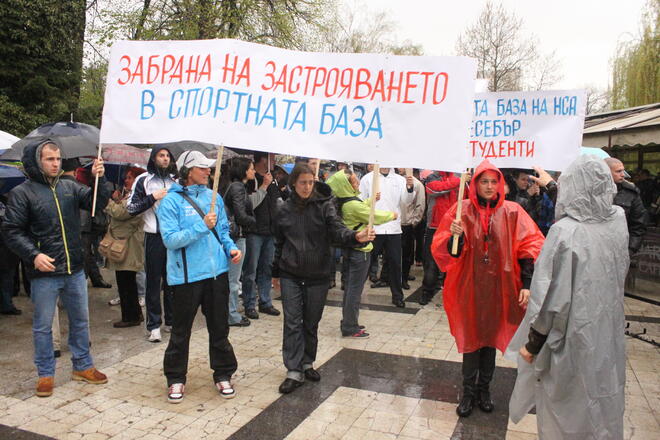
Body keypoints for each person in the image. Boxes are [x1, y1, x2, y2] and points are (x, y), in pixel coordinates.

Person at [506, 155, 629, 440]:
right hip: (606, 331)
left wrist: (534, 342)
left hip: (573, 336)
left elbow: (552, 298)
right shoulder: (618, 220)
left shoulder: (565, 232)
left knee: (567, 411)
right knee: (602, 400)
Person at [431, 159, 544, 418]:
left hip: (499, 289)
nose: (490, 186)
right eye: (484, 181)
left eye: (494, 181)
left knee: (490, 341)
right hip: (468, 288)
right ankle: (468, 392)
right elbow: (448, 255)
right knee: (471, 340)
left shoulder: (513, 211)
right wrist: (454, 235)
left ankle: (484, 390)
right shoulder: (461, 211)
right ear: (475, 184)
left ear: (501, 184)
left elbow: (529, 247)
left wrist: (527, 283)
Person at [2, 139, 110, 397]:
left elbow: (97, 203)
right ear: (36, 161)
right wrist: (34, 255)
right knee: (42, 326)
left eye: (58, 158)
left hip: (74, 268)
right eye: (50, 159)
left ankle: (82, 366)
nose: (55, 163)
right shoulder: (22, 193)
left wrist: (99, 180)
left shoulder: (70, 187)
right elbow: (11, 230)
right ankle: (45, 374)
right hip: (45, 272)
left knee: (81, 321)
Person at [273, 164, 375, 393]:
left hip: (318, 274)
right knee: (292, 322)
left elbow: (337, 230)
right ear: (293, 184)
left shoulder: (325, 205)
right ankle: (293, 369)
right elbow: (278, 243)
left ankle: (307, 362)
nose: (307, 187)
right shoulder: (283, 209)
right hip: (291, 273)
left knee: (311, 321)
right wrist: (275, 273)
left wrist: (355, 236)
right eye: (302, 182)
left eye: (310, 182)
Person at [157, 150, 241, 403]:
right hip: (185, 279)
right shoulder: (170, 202)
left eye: (208, 167)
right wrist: (201, 226)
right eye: (202, 168)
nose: (208, 171)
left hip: (217, 275)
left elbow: (223, 231)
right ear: (187, 171)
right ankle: (175, 378)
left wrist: (230, 248)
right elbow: (170, 240)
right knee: (181, 332)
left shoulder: (213, 197)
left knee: (219, 328)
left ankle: (223, 373)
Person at [326, 168, 396, 338]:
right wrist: (391, 215)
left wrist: (371, 199)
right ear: (345, 185)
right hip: (360, 252)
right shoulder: (352, 204)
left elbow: (359, 207)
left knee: (351, 288)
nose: (357, 182)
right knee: (354, 291)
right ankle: (350, 326)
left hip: (351, 250)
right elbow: (372, 215)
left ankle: (348, 321)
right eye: (354, 181)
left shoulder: (344, 201)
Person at [128, 147, 177, 342]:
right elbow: (131, 208)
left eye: (167, 156)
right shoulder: (144, 180)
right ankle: (154, 325)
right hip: (154, 237)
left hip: (174, 237)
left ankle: (171, 321)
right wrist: (152, 198)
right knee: (153, 282)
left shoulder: (177, 181)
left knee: (172, 280)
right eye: (161, 156)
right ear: (153, 158)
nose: (165, 159)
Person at [359, 167, 414, 307]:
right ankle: (356, 293)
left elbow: (407, 200)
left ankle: (397, 296)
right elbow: (360, 201)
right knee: (367, 262)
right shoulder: (368, 178)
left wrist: (409, 187)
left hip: (393, 228)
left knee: (395, 264)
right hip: (374, 228)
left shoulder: (399, 179)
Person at [241, 152, 281, 319]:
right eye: (271, 157)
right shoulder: (251, 180)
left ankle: (265, 301)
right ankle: (249, 303)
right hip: (254, 231)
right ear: (262, 159)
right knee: (251, 270)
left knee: (266, 268)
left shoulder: (272, 179)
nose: (274, 160)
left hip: (270, 231)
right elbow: (249, 204)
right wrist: (263, 185)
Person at [106, 168, 145, 328]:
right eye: (126, 177)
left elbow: (122, 213)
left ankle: (130, 317)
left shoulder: (137, 197)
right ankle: (135, 314)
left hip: (129, 243)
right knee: (125, 280)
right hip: (125, 241)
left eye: (130, 178)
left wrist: (109, 202)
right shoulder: (130, 195)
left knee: (126, 281)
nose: (126, 180)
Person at [223, 157, 258, 327]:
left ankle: (231, 312)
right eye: (251, 168)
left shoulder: (238, 187)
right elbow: (240, 215)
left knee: (233, 278)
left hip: (237, 236)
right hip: (236, 237)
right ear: (244, 170)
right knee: (233, 279)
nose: (253, 171)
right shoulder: (237, 187)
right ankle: (232, 315)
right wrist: (254, 220)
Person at [420, 171, 463, 305]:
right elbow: (434, 189)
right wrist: (459, 182)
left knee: (453, 263)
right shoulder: (432, 177)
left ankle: (450, 292)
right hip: (434, 227)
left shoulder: (460, 177)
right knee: (431, 262)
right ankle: (427, 292)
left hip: (454, 227)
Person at [605, 158, 647, 255]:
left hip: (620, 248)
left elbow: (639, 224)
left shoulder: (631, 193)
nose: (623, 174)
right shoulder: (592, 191)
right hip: (596, 247)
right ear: (605, 171)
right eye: (618, 171)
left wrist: (631, 249)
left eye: (623, 171)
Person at [397, 169, 425, 290]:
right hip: (393, 223)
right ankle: (390, 277)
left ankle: (404, 277)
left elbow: (420, 204)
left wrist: (413, 221)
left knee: (407, 254)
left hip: (407, 224)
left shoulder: (417, 184)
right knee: (392, 253)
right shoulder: (396, 181)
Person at [0, 198, 21, 315]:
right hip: (6, 248)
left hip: (7, 249)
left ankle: (7, 304)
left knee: (7, 278)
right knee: (6, 278)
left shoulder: (7, 200)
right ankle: (6, 305)